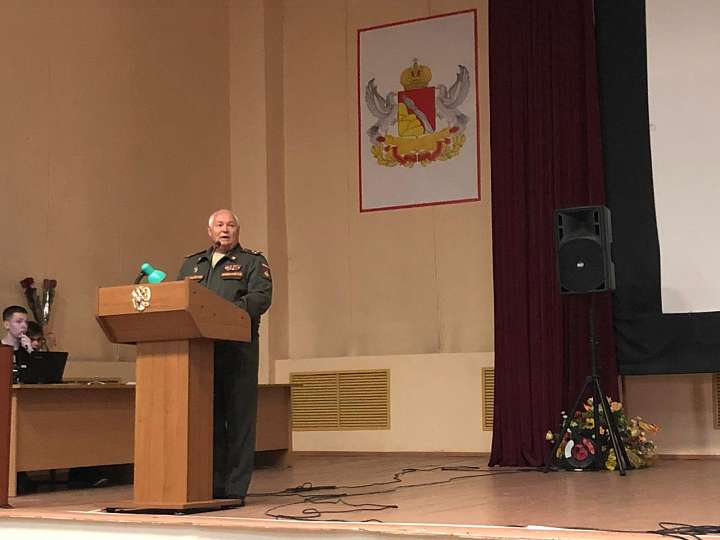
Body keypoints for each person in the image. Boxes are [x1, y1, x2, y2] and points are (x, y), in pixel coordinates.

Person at [177, 209, 272, 502]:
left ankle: (234, 489)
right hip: (202, 352)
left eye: (230, 225)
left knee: (239, 420)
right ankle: (212, 485)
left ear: (238, 231)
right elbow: (179, 298)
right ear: (210, 231)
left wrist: (224, 314)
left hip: (238, 351)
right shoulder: (192, 264)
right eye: (219, 225)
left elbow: (260, 298)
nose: (225, 229)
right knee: (210, 420)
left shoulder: (253, 262)